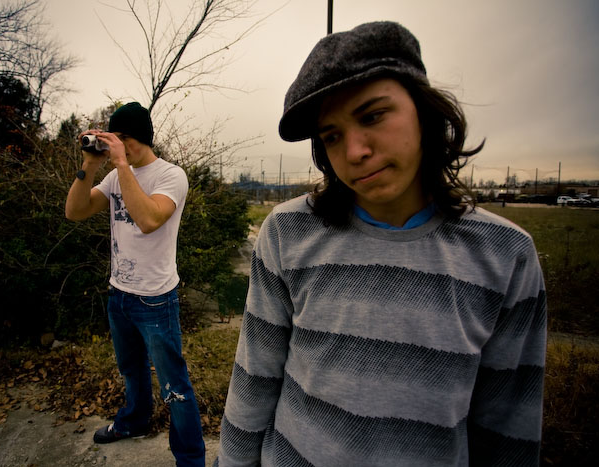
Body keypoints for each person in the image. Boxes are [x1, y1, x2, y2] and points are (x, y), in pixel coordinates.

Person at [215, 22, 546, 466]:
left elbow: (508, 429)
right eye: (331, 136)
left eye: (372, 116)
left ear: (425, 112)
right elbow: (254, 378)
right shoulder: (288, 232)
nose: (354, 151)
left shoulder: (505, 255)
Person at [65, 102, 205, 466]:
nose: (116, 145)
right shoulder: (114, 176)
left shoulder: (170, 175)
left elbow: (148, 220)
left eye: (121, 138)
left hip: (155, 300)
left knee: (175, 386)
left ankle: (191, 459)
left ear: (138, 138)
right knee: (131, 371)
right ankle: (134, 422)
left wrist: (121, 165)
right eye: (112, 138)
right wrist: (90, 165)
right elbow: (75, 211)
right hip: (120, 294)